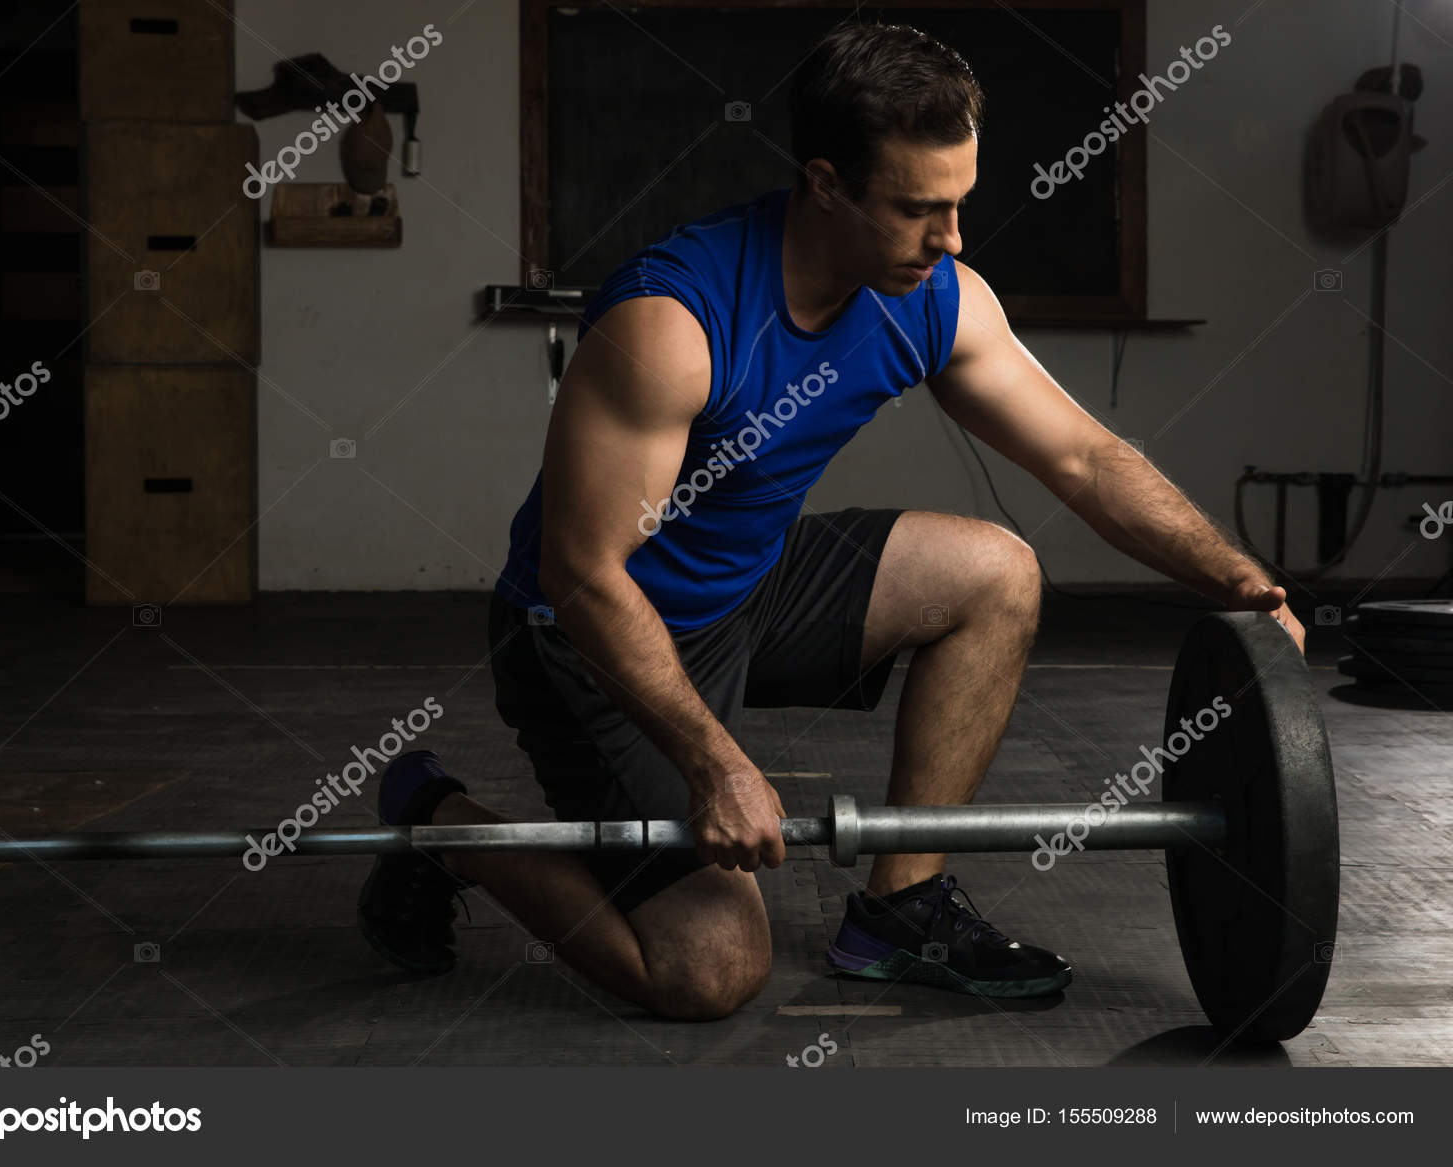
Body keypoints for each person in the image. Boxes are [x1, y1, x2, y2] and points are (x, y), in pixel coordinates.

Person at [357, 21, 1305, 1021]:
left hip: (751, 586)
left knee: (996, 573)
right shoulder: (669, 325)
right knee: (707, 973)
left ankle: (898, 910)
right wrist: (716, 762)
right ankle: (438, 818)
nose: (948, 241)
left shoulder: (933, 294)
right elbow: (584, 573)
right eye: (915, 211)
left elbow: (1085, 458)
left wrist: (1236, 578)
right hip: (591, 636)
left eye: (956, 206)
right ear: (823, 184)